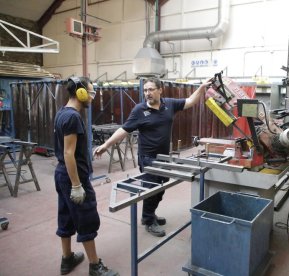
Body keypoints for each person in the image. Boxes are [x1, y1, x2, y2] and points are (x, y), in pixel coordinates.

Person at [93, 77, 212, 237]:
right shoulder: (139, 110)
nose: (147, 93)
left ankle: (149, 214)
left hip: (164, 157)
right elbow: (124, 130)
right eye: (145, 90)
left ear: (160, 90)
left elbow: (190, 101)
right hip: (148, 158)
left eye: (151, 90)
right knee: (150, 189)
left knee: (160, 188)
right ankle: (148, 220)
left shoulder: (169, 104)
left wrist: (202, 87)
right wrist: (106, 145)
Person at [54, 76, 119, 275]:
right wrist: (76, 184)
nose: (92, 97)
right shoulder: (73, 117)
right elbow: (68, 153)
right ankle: (95, 265)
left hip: (62, 174)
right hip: (73, 176)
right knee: (86, 217)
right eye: (90, 93)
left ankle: (67, 259)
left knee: (66, 215)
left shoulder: (61, 113)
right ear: (80, 93)